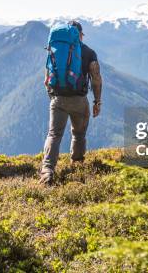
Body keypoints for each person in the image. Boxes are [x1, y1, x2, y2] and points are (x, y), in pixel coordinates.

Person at [40, 20, 103, 184]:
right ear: (80, 35)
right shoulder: (89, 52)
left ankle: (47, 171)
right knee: (79, 134)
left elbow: (47, 79)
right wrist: (97, 101)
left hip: (58, 98)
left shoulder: (55, 49)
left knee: (54, 134)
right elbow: (96, 78)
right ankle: (77, 164)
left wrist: (53, 97)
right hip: (79, 101)